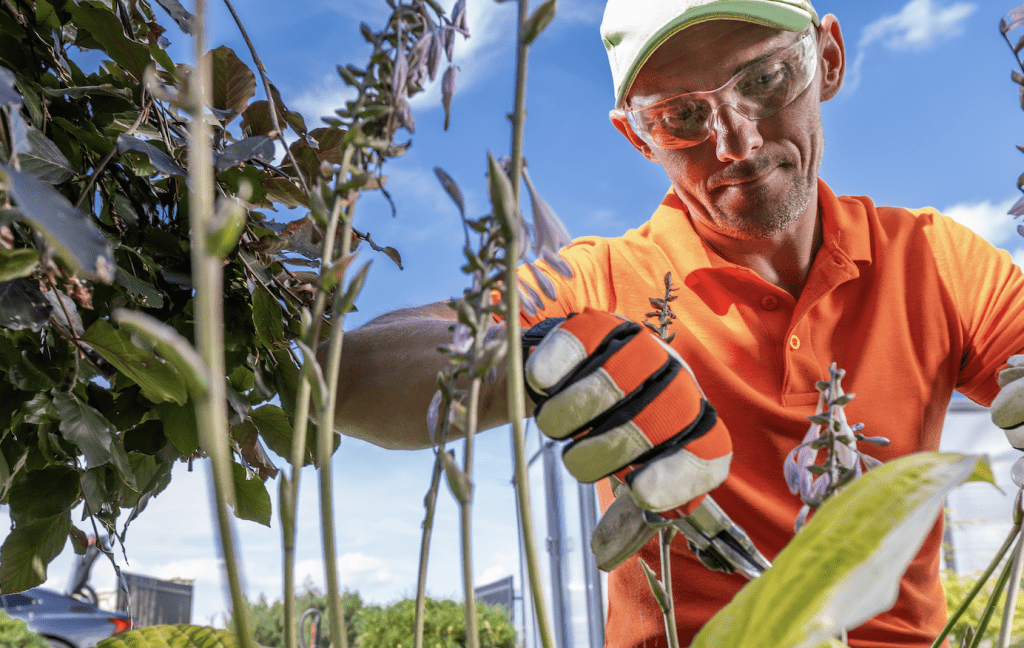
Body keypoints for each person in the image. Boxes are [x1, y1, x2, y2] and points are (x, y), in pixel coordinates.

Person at [329, 0, 1024, 646]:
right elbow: (352, 377)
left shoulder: (934, 261)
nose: (737, 142)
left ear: (829, 60)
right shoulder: (596, 281)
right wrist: (534, 360)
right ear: (636, 137)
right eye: (681, 116)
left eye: (767, 77)